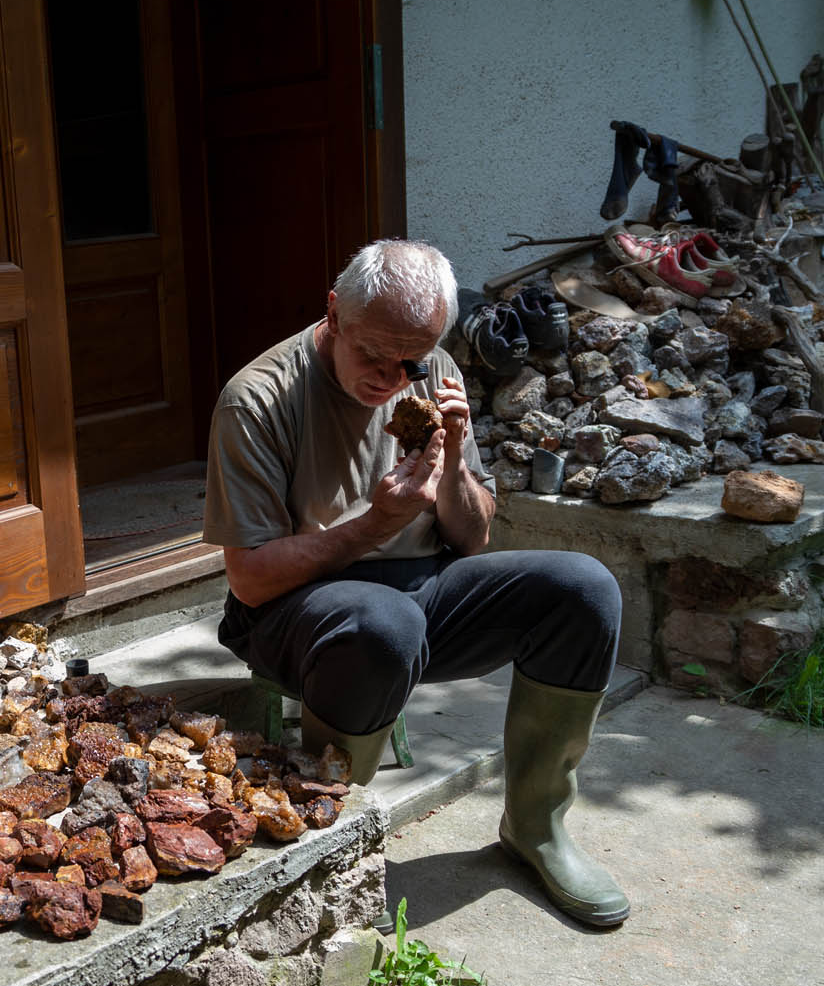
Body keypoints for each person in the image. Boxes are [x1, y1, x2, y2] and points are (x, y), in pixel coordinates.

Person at [202, 239, 629, 927]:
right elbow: (250, 581)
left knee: (583, 589)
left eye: (411, 359)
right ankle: (329, 847)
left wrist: (454, 461)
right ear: (333, 313)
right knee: (382, 625)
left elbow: (472, 538)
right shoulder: (258, 399)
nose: (392, 379)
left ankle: (537, 825)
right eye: (374, 355)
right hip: (297, 608)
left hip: (420, 592)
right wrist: (375, 524)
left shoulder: (432, 370)